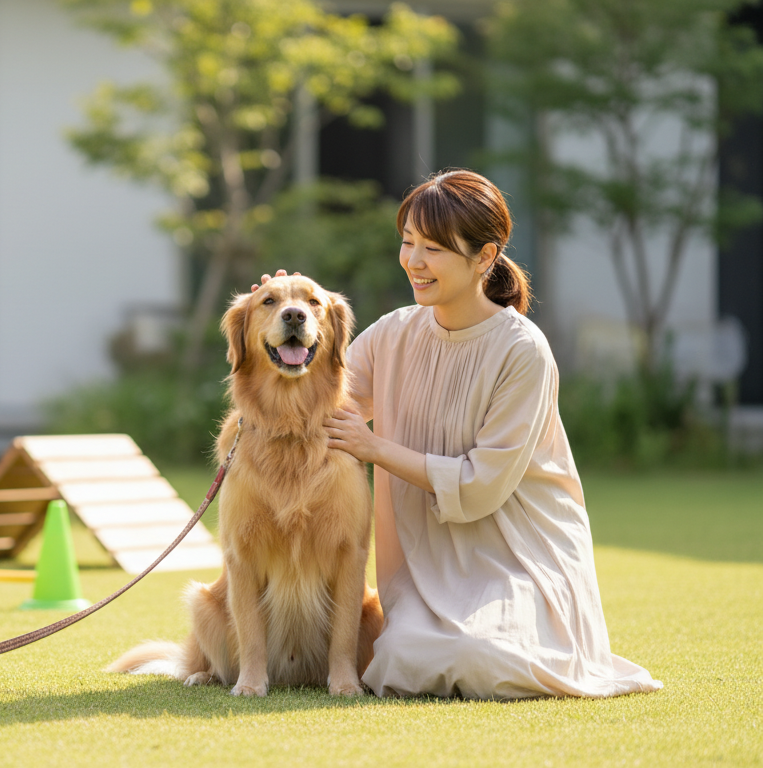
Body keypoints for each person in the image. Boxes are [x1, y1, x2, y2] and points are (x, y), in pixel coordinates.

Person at [264, 169, 662, 699]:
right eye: (407, 243)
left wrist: (374, 447)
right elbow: (312, 399)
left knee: (480, 656)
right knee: (402, 658)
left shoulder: (523, 351)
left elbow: (480, 486)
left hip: (518, 556)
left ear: (485, 256)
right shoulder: (393, 333)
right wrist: (281, 317)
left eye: (434, 248)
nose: (414, 261)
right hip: (425, 567)